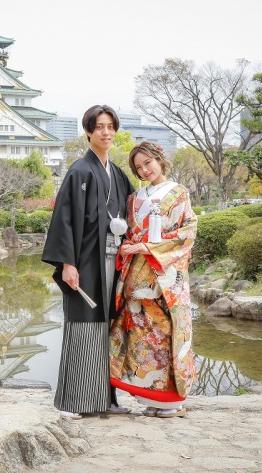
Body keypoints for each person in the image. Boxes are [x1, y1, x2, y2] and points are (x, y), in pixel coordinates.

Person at [42, 104, 135, 418]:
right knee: (83, 326)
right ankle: (73, 401)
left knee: (108, 328)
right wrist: (67, 263)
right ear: (88, 131)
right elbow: (64, 218)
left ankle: (106, 399)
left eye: (110, 126)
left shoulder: (118, 174)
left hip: (114, 261)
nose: (106, 132)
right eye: (100, 127)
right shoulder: (79, 170)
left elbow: (135, 211)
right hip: (86, 262)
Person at [109, 141, 198, 418]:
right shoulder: (134, 198)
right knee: (140, 335)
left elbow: (188, 231)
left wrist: (148, 247)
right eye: (138, 167)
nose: (144, 170)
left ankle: (171, 401)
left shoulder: (178, 193)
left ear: (160, 160)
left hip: (165, 277)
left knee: (167, 333)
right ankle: (150, 397)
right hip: (137, 276)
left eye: (148, 163)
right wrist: (127, 245)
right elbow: (129, 233)